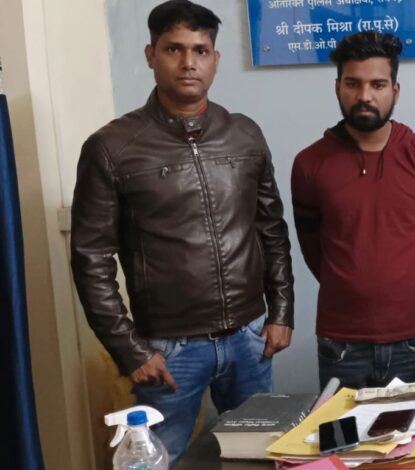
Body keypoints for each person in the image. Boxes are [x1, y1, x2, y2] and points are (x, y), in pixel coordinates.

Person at [70, 0, 294, 463]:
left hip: (250, 337)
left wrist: (281, 311)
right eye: (174, 49)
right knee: (157, 460)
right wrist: (129, 350)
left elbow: (271, 228)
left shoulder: (244, 135)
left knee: (258, 458)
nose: (189, 62)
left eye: (200, 50)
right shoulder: (112, 147)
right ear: (151, 55)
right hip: (169, 350)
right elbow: (91, 258)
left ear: (215, 59)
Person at [291, 31, 415, 389]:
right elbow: (312, 247)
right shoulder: (309, 164)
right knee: (345, 429)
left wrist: (413, 293)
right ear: (337, 87)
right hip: (341, 344)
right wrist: (350, 287)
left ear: (395, 91)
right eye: (353, 84)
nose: (365, 96)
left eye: (378, 85)